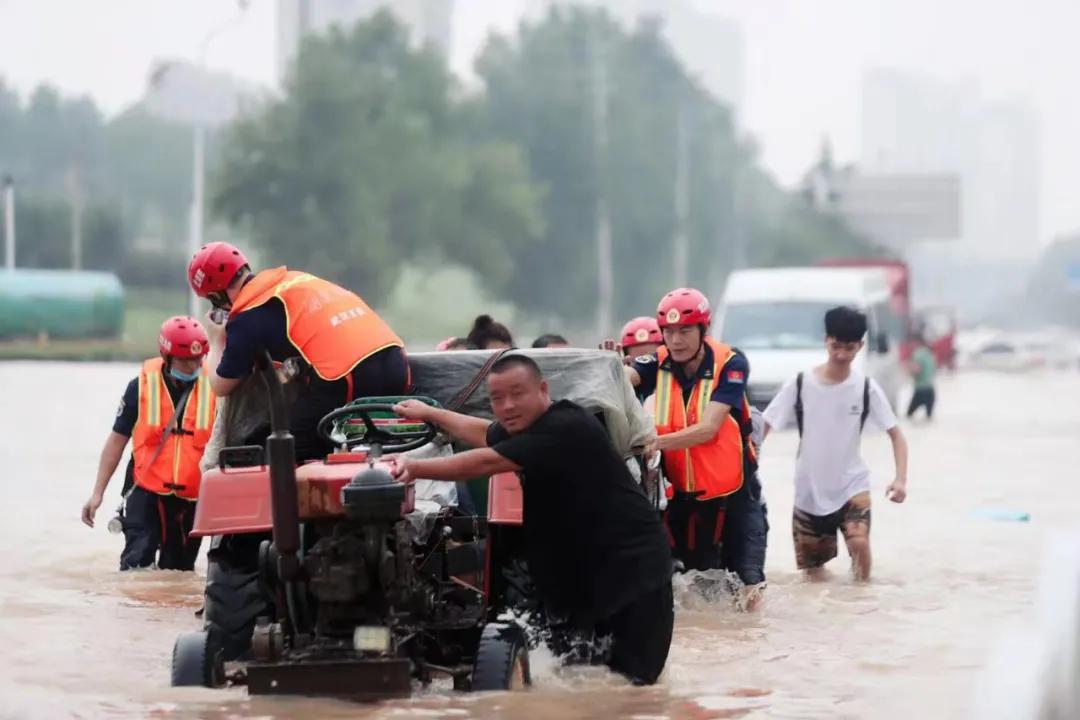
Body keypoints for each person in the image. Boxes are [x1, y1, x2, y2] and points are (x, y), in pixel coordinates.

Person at [391, 355, 674, 685]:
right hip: (584, 575)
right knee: (581, 681)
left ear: (543, 389)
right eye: (497, 398)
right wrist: (431, 414)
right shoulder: (533, 428)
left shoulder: (566, 426)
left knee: (632, 689)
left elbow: (485, 462)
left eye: (517, 393)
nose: (507, 406)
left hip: (633, 575)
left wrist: (412, 467)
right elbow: (486, 434)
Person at [187, 241, 409, 460]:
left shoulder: (247, 314)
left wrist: (216, 340)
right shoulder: (294, 279)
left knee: (272, 448)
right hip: (397, 364)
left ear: (216, 296)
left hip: (348, 377)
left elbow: (221, 385)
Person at [624, 288, 767, 604]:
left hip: (736, 497)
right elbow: (624, 378)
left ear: (704, 330)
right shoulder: (656, 362)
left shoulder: (731, 363)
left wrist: (654, 442)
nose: (676, 340)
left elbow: (708, 429)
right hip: (685, 501)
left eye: (685, 331)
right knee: (692, 592)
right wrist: (607, 367)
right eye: (669, 332)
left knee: (750, 591)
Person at [761, 306, 909, 582]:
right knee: (814, 576)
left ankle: (861, 598)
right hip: (809, 490)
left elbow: (897, 435)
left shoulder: (866, 387)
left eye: (850, 348)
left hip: (853, 484)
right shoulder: (801, 383)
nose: (841, 355)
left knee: (859, 542)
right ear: (826, 341)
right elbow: (765, 424)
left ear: (860, 346)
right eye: (835, 346)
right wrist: (748, 462)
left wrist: (900, 479)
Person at [81, 316, 218, 571]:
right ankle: (132, 610)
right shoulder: (140, 387)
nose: (193, 365)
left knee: (177, 573)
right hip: (145, 489)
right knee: (137, 563)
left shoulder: (215, 388)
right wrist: (97, 493)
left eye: (198, 359)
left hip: (192, 497)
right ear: (167, 358)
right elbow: (116, 441)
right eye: (185, 360)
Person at [906, 334, 937, 421]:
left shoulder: (918, 354)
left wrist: (908, 369)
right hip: (931, 390)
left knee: (908, 416)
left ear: (916, 342)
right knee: (929, 419)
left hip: (920, 391)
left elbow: (916, 370)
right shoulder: (929, 354)